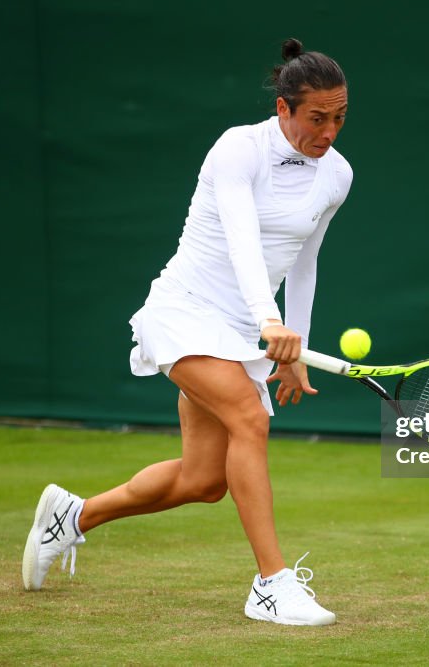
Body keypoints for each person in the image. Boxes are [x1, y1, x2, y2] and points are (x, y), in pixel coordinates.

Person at [22, 38, 352, 627]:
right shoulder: (237, 150)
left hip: (243, 326)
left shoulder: (338, 175)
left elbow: (306, 260)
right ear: (284, 109)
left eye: (339, 118)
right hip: (186, 310)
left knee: (203, 481)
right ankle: (271, 585)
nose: (328, 132)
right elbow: (243, 240)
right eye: (316, 118)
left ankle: (72, 517)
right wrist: (268, 322)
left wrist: (293, 345)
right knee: (250, 421)